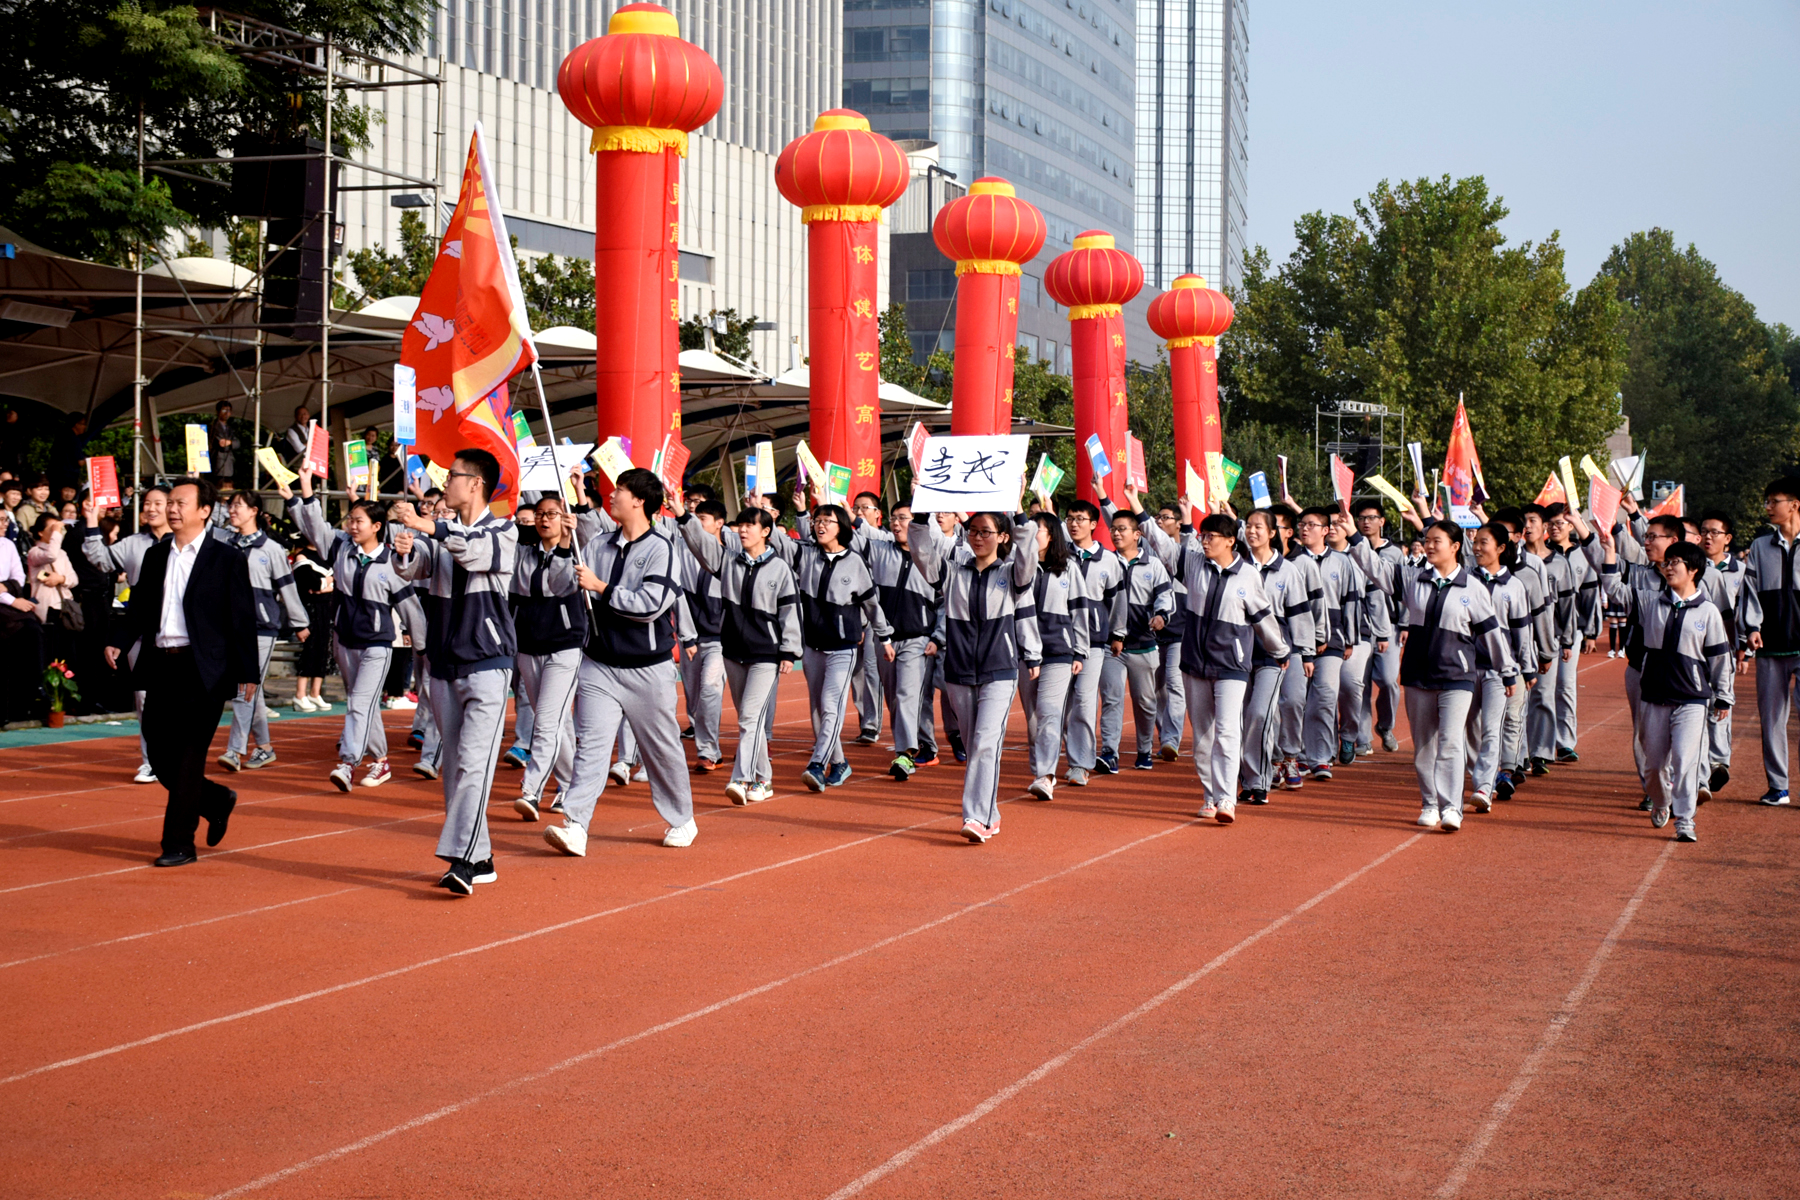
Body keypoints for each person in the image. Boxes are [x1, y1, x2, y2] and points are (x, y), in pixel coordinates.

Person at [538, 467, 696, 858]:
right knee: (591, 746)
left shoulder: (662, 547)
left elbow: (651, 606)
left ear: (639, 500)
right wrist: (563, 546)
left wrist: (601, 587)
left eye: (620, 490)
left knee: (661, 747)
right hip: (599, 664)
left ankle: (682, 818)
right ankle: (575, 824)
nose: (611, 495)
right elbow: (559, 587)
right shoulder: (595, 544)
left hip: (648, 667)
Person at [103, 477, 259, 866]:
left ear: (204, 511)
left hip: (203, 669)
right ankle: (215, 799)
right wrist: (119, 639)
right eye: (169, 502)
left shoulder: (227, 559)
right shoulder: (156, 556)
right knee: (158, 755)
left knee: (190, 755)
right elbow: (137, 606)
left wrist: (249, 673)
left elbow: (242, 620)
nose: (172, 509)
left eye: (180, 503)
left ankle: (178, 844)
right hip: (162, 665)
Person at [390, 449, 520, 892]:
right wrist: (405, 547)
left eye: (454, 475)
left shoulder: (505, 529)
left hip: (488, 659)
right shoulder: (441, 532)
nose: (447, 482)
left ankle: (461, 859)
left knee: (473, 763)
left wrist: (430, 526)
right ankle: (480, 856)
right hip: (444, 661)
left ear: (476, 483)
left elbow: (474, 553)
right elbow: (414, 568)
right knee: (453, 768)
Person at [1348, 508, 1514, 832]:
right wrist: (1355, 538)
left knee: (1451, 741)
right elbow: (1375, 569)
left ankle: (1452, 807)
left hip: (1457, 676)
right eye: (1427, 541)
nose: (1429, 546)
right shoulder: (1414, 579)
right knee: (1424, 745)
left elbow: (1493, 633)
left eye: (1436, 541)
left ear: (1455, 547)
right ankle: (1429, 803)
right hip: (1418, 675)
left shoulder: (1472, 587)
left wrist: (1507, 670)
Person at [908, 508, 1037, 843]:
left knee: (983, 743)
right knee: (972, 743)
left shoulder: (1011, 575)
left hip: (999, 671)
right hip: (959, 670)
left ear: (1003, 537)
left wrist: (1020, 513)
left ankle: (976, 816)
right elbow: (921, 551)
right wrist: (921, 510)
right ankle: (990, 815)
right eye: (974, 531)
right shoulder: (951, 572)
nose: (978, 537)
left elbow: (1029, 554)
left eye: (987, 531)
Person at [281, 468, 413, 791]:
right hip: (346, 641)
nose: (351, 526)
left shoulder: (392, 561)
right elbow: (315, 527)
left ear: (377, 527)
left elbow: (411, 606)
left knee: (358, 703)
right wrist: (306, 492)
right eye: (350, 520)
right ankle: (380, 761)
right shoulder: (342, 548)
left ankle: (348, 761)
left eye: (359, 521)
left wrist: (421, 643)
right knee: (363, 703)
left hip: (378, 645)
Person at [1598, 532, 1731, 842]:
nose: (1669, 568)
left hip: (1691, 700)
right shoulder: (1648, 601)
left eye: (1676, 563)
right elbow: (1614, 589)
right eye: (1667, 563)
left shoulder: (1707, 611)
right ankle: (1660, 802)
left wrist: (1723, 697)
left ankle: (1685, 820)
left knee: (1685, 762)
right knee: (1655, 764)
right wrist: (1609, 552)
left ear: (1694, 569)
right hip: (1655, 697)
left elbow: (1719, 659)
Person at [672, 491, 802, 805]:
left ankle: (741, 779)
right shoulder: (728, 561)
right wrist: (681, 514)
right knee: (749, 719)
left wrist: (789, 651)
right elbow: (702, 544)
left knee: (748, 719)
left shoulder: (780, 570)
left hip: (766, 656)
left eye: (750, 525)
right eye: (740, 525)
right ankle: (765, 780)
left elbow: (790, 612)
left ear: (766, 532)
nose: (742, 530)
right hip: (733, 651)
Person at [1172, 507, 1290, 823]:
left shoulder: (1248, 575)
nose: (1204, 541)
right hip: (1194, 664)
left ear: (1229, 541)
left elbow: (1263, 618)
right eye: (1202, 535)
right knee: (1202, 738)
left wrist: (1280, 651)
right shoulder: (1195, 564)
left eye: (1210, 536)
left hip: (1232, 667)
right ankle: (1209, 797)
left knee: (1227, 731)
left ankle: (1226, 799)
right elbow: (1161, 543)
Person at [773, 492, 894, 792]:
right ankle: (839, 763)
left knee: (831, 704)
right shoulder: (806, 554)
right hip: (812, 647)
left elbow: (871, 605)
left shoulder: (855, 563)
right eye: (817, 521)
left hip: (843, 648)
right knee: (817, 709)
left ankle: (817, 764)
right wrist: (770, 511)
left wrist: (885, 636)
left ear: (841, 526)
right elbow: (778, 543)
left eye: (827, 520)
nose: (820, 526)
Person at [80, 485, 171, 782]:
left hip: (180, 636)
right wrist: (92, 521)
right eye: (147, 503)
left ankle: (178, 756)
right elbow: (101, 560)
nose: (151, 508)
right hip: (141, 633)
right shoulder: (133, 543)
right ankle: (151, 760)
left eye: (158, 502)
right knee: (144, 700)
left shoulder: (189, 544)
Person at [848, 500, 943, 780]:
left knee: (907, 695)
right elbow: (847, 537)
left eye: (904, 518)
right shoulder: (878, 550)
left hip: (918, 639)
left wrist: (938, 636)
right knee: (894, 697)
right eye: (894, 518)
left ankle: (904, 754)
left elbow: (946, 603)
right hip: (885, 639)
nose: (897, 523)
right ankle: (926, 743)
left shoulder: (931, 558)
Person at [215, 490, 309, 772]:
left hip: (260, 628)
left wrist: (299, 622)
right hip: (228, 627)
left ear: (254, 511)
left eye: (239, 506)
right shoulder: (222, 541)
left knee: (245, 688)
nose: (233, 510)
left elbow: (287, 588)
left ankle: (234, 750)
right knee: (248, 691)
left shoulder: (271, 550)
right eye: (231, 506)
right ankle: (265, 747)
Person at [508, 494, 585, 821]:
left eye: (551, 514)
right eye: (539, 514)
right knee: (557, 724)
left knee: (547, 722)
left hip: (565, 647)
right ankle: (570, 785)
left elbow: (565, 584)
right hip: (528, 646)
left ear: (564, 517)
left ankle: (532, 788)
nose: (544, 519)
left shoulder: (578, 551)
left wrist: (567, 543)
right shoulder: (523, 553)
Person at [1235, 508, 1315, 806]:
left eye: (1259, 527)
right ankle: (1247, 777)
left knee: (1260, 714)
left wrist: (1304, 653)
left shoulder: (1287, 570)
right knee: (1242, 718)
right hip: (1239, 653)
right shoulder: (1237, 565)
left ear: (1272, 533)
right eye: (1249, 526)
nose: (1252, 531)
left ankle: (1259, 780)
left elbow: (1299, 614)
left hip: (1275, 655)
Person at [1098, 489, 1175, 771]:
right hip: (1111, 646)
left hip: (1144, 645)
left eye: (1122, 530)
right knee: (1112, 698)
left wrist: (1161, 616)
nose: (1116, 534)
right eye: (1113, 530)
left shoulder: (1153, 565)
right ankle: (1109, 752)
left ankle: (1144, 750)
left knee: (1145, 703)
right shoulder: (1105, 562)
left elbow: (1166, 596)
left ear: (1137, 534)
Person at [1737, 477, 1800, 806]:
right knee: (1772, 719)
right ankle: (1779, 787)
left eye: (1773, 501)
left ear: (1794, 504)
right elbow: (1749, 591)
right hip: (1770, 647)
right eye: (1767, 501)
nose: (1768, 507)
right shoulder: (1760, 546)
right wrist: (1751, 628)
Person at [1018, 510, 1088, 801]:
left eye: (1039, 530)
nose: (1033, 535)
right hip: (1023, 651)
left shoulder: (1068, 567)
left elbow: (1079, 610)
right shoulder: (1019, 565)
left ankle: (1045, 775)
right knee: (1033, 717)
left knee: (1049, 711)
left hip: (1058, 651)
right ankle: (1039, 769)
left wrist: (1080, 650)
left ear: (1051, 536)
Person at [1463, 522, 1529, 814]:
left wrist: (1523, 670)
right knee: (1467, 729)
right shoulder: (1465, 580)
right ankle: (1483, 775)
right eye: (1475, 542)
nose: (1477, 548)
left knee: (1492, 728)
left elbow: (1521, 633)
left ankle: (1483, 786)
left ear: (1501, 549)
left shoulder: (1514, 587)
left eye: (1484, 543)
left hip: (1498, 671)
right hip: (1464, 668)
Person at [1293, 506, 1361, 781]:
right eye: (1301, 524)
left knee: (1324, 696)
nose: (1305, 529)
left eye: (1311, 524)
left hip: (1332, 641)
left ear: (1325, 530)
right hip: (1298, 640)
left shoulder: (1342, 562)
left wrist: (1349, 640)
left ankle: (1321, 758)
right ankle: (1297, 754)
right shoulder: (1292, 562)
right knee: (1297, 699)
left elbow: (1351, 602)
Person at [1061, 497, 1123, 784]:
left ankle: (1080, 763)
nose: (1074, 524)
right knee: (1060, 703)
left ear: (1094, 524)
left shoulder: (1109, 559)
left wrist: (1116, 633)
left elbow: (1117, 601)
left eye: (1080, 519)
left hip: (1095, 644)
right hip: (1060, 641)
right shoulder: (1059, 554)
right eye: (1070, 518)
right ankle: (1060, 755)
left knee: (1085, 701)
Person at [1695, 511, 1747, 799]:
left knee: (1720, 708)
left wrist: (1742, 651)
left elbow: (1740, 612)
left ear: (1727, 538)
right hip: (1696, 652)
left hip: (1725, 649)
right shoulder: (1693, 568)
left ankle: (1718, 762)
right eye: (1704, 531)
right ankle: (1704, 766)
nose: (1708, 537)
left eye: (1715, 532)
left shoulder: (1740, 571)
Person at [1350, 498, 1406, 754]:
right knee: (1358, 683)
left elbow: (1405, 589)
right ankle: (1362, 739)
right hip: (1359, 627)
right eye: (1361, 518)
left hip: (1390, 627)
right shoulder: (1350, 551)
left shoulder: (1395, 554)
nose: (1366, 522)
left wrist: (1404, 622)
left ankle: (1385, 724)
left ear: (1382, 521)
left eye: (1371, 518)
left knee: (1387, 680)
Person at [675, 498, 727, 772]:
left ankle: (709, 751)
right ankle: (708, 746)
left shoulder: (731, 554)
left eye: (702, 519)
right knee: (694, 698)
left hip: (721, 640)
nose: (696, 524)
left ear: (719, 523)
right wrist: (686, 636)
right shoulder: (682, 552)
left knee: (710, 689)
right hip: (691, 638)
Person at [849, 491, 888, 745]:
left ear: (878, 514)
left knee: (873, 670)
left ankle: (873, 724)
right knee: (857, 672)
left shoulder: (886, 540)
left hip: (879, 615)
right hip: (854, 613)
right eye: (856, 507)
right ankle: (866, 721)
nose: (860, 512)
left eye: (865, 508)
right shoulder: (850, 541)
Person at [290, 535, 335, 711]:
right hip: (310, 610)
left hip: (326, 610)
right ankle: (300, 694)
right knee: (310, 650)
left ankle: (315, 693)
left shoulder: (327, 557)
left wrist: (324, 586)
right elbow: (312, 584)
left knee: (324, 649)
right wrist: (326, 584)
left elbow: (334, 583)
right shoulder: (302, 556)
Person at [209, 400, 238, 487]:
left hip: (228, 463)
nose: (227, 413)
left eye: (229, 411)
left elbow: (238, 443)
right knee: (219, 487)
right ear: (218, 412)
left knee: (227, 486)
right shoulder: (214, 426)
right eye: (224, 410)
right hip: (218, 462)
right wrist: (230, 443)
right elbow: (222, 444)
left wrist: (230, 442)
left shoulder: (229, 428)